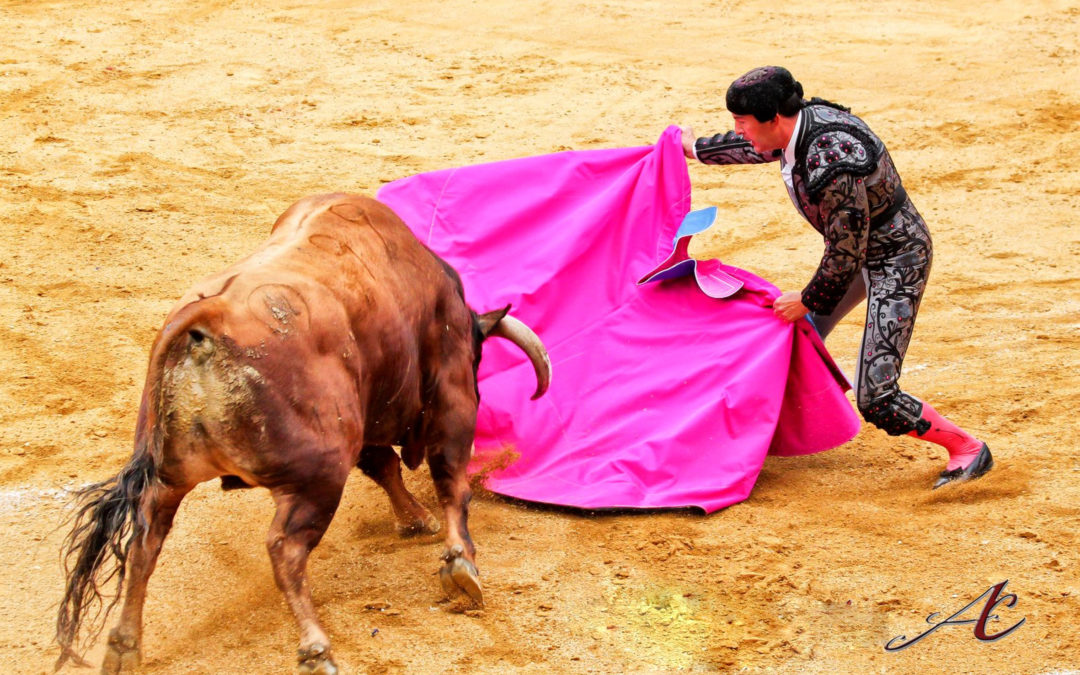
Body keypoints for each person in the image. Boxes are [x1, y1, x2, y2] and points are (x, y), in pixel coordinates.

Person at [680, 66, 992, 489]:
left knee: (877, 397)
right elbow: (757, 146)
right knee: (792, 339)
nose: (740, 131)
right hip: (860, 254)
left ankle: (969, 449)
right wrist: (694, 149)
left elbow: (846, 250)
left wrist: (808, 299)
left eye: (743, 123)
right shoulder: (795, 128)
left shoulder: (833, 156)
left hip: (897, 259)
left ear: (774, 117)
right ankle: (759, 438)